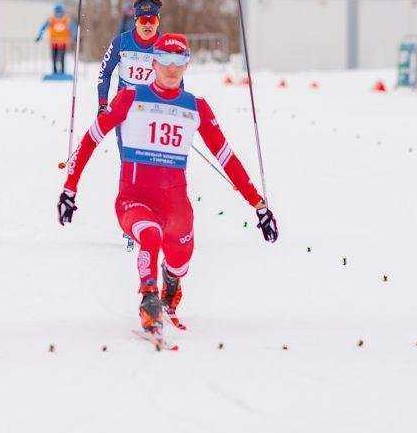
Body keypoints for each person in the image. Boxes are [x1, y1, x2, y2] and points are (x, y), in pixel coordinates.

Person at [57, 33, 278, 340]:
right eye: (166, 61)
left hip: (177, 210)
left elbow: (227, 158)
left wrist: (259, 205)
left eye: (180, 62)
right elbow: (91, 138)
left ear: (187, 65)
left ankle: (170, 284)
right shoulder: (130, 98)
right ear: (154, 62)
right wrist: (70, 189)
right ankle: (149, 300)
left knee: (179, 260)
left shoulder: (196, 107)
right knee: (149, 234)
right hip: (134, 200)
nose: (172, 69)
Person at [97, 0, 163, 113]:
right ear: (136, 21)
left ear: (158, 22)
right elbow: (105, 72)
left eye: (152, 20)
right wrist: (102, 104)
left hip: (153, 107)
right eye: (143, 20)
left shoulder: (165, 45)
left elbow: (177, 81)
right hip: (124, 106)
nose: (148, 25)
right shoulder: (120, 42)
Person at [34, 3, 76, 75]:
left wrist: (75, 36)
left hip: (63, 43)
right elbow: (43, 27)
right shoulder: (52, 20)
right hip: (54, 42)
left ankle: (62, 72)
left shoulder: (66, 20)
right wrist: (39, 36)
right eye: (57, 11)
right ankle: (55, 72)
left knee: (61, 57)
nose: (58, 13)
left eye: (59, 11)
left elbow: (73, 28)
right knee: (54, 57)